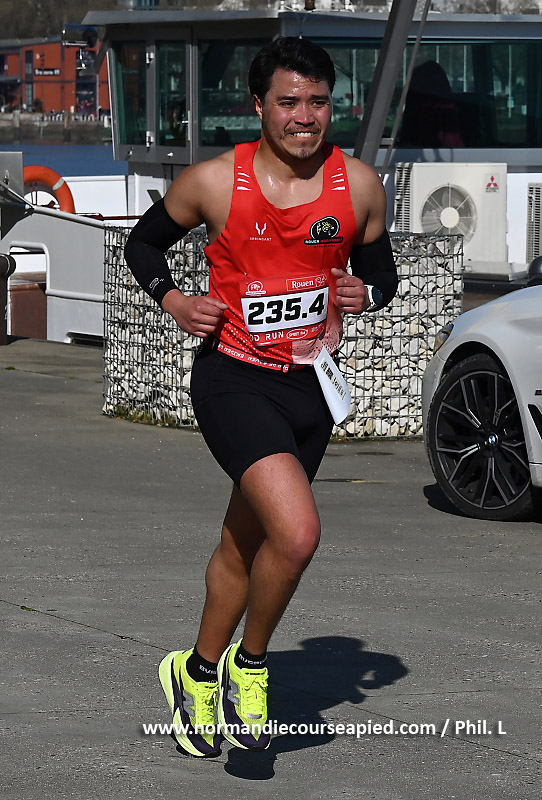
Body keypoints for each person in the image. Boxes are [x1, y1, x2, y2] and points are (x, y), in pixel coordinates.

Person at [124, 36, 398, 757]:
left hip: (311, 386)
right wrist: (176, 301)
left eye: (318, 102)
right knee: (297, 534)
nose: (305, 117)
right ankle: (251, 665)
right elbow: (141, 246)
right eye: (288, 102)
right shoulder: (214, 182)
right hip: (234, 378)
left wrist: (365, 294)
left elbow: (383, 275)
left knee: (244, 544)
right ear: (258, 106)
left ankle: (195, 673)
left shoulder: (359, 185)